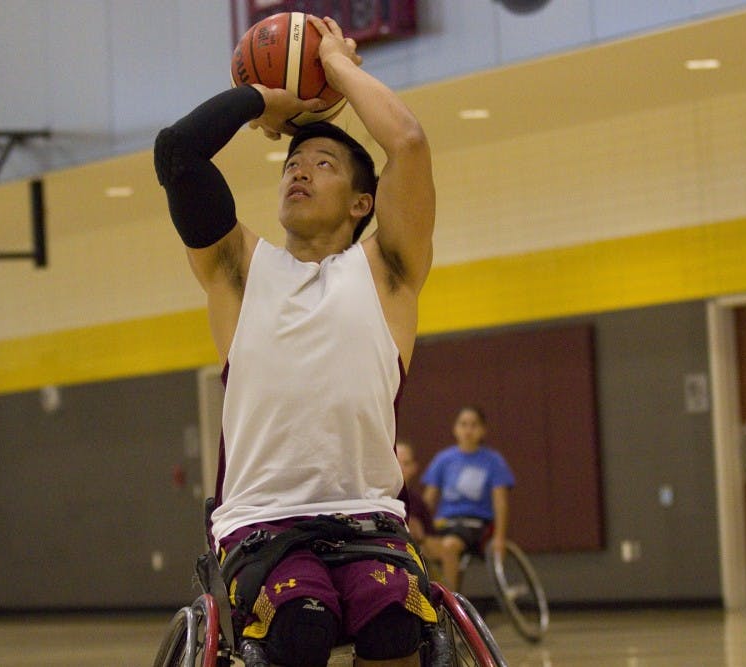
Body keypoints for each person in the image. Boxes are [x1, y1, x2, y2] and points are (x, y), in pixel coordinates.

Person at [154, 15, 434, 667]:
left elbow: (410, 144)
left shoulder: (388, 270)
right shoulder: (239, 268)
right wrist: (265, 99)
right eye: (294, 162)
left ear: (364, 202)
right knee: (301, 626)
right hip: (262, 523)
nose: (299, 171)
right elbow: (179, 153)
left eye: (324, 163)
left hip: (369, 520)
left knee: (396, 624)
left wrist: (337, 66)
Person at [420, 406, 515, 592]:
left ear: (482, 430)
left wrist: (500, 538)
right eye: (463, 424)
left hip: (475, 524)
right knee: (419, 546)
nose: (468, 430)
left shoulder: (493, 461)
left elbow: (500, 501)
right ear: (455, 429)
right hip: (444, 523)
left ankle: (450, 607)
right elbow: (428, 500)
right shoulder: (443, 459)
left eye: (474, 425)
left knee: (449, 547)